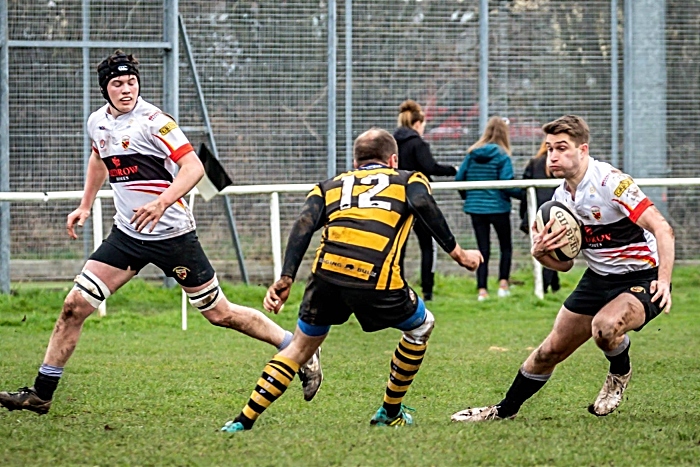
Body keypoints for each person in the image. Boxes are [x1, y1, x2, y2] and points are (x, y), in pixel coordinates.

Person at [0, 50, 321, 415]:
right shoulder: (97, 123)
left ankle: (298, 347)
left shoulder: (155, 122)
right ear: (105, 89)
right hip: (128, 236)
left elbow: (193, 167)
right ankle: (41, 394)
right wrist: (85, 205)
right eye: (117, 83)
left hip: (173, 236)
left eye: (131, 81)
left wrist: (162, 203)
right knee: (73, 307)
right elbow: (98, 159)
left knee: (220, 314)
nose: (126, 89)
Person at [220, 128, 483, 432]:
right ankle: (389, 410)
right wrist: (459, 254)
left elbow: (304, 223)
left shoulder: (329, 186)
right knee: (421, 326)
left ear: (355, 162)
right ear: (393, 159)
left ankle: (242, 421)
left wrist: (286, 277)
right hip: (376, 278)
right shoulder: (409, 179)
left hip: (325, 277)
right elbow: (423, 204)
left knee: (300, 348)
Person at [451, 115, 674, 422]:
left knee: (604, 328)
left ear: (583, 150)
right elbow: (566, 265)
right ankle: (502, 412)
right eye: (549, 147)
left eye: (562, 148)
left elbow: (663, 229)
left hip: (642, 276)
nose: (552, 155)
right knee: (548, 351)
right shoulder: (561, 198)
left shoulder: (612, 183)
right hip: (597, 278)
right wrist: (541, 254)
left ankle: (619, 371)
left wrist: (664, 281)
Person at [394, 99, 457, 301]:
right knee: (427, 245)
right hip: (418, 200)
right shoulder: (417, 143)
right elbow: (429, 166)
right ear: (418, 123)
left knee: (398, 247)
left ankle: (397, 288)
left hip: (396, 198)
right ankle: (427, 291)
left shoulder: (392, 143)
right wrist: (453, 170)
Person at [455, 116, 521, 301]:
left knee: (482, 249)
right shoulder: (502, 155)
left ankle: (482, 290)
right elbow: (506, 183)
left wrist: (469, 198)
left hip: (476, 209)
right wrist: (522, 194)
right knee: (505, 246)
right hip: (498, 207)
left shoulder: (472, 154)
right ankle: (503, 284)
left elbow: (460, 179)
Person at [519, 140, 560, 293]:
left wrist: (524, 215)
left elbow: (525, 192)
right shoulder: (562, 165)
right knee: (553, 249)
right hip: (556, 212)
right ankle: (545, 286)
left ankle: (550, 285)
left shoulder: (534, 163)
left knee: (548, 249)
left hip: (537, 213)